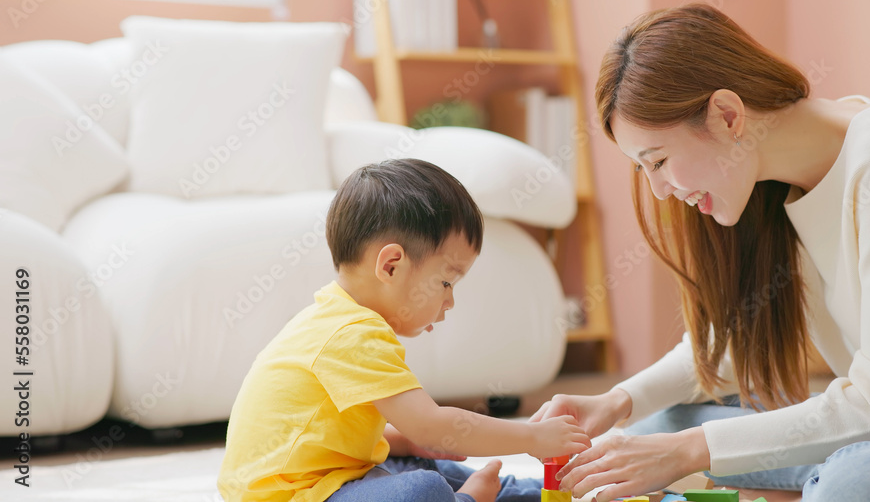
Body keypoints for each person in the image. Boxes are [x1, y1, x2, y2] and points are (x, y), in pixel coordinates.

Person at [531, 3, 870, 502]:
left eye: (659, 160)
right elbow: (731, 342)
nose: (660, 190)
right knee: (656, 427)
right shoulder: (771, 184)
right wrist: (618, 399)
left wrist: (688, 452)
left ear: (728, 115)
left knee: (853, 484)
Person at [218, 158, 591, 502]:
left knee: (429, 466)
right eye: (446, 283)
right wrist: (532, 437)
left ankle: (555, 492)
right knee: (422, 488)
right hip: (294, 497)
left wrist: (402, 442)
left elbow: (327, 437)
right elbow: (432, 425)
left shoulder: (333, 317)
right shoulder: (353, 334)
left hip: (330, 479)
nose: (450, 301)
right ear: (392, 265)